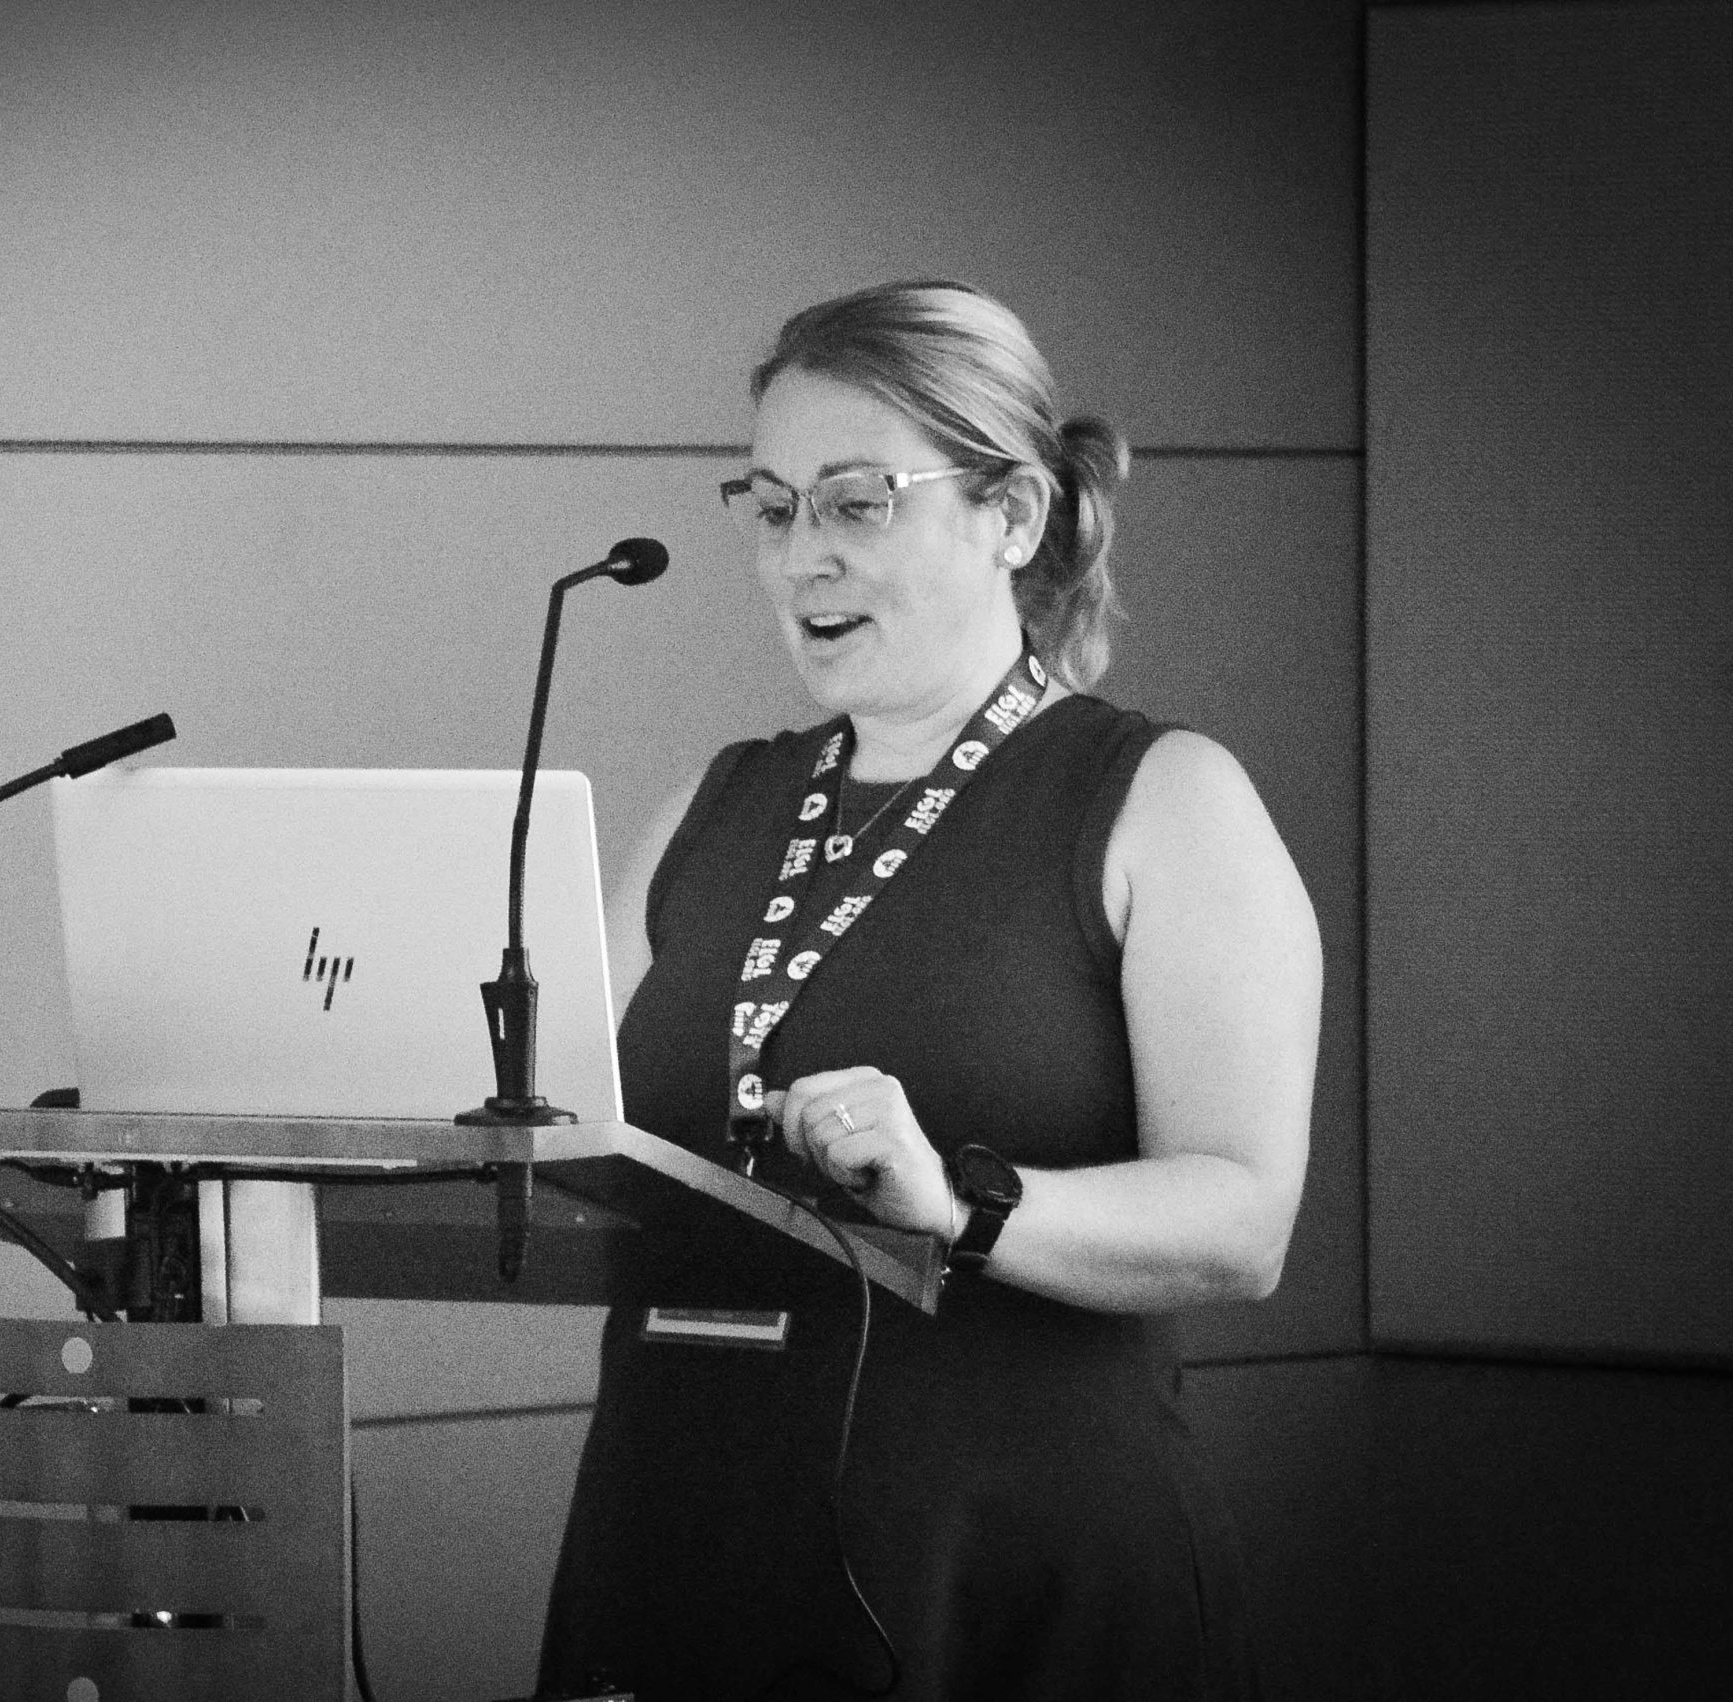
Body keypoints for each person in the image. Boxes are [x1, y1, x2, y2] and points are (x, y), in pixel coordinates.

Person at [537, 280, 1319, 1701]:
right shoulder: (710, 809)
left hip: (1007, 1575)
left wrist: (964, 1204)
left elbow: (1245, 1219)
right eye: (771, 508)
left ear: (1012, 516)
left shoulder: (1161, 798)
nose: (799, 557)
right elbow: (570, 1134)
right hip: (676, 1549)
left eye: (856, 501)